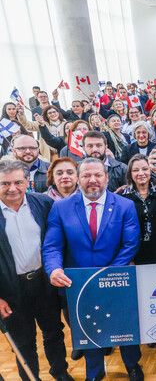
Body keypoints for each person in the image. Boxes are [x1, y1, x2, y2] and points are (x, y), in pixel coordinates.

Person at [42, 158, 143, 381]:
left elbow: (130, 244)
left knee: (125, 326)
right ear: (78, 179)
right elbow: (52, 246)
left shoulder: (125, 205)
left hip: (117, 279)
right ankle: (95, 373)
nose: (93, 180)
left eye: (98, 175)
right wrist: (54, 270)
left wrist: (109, 274)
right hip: (79, 284)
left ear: (107, 177)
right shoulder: (61, 207)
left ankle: (133, 365)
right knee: (89, 330)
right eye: (86, 175)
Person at [0, 160, 72, 381]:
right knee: (23, 341)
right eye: (5, 183)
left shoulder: (43, 203)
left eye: (18, 182)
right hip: (10, 290)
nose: (12, 188)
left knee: (54, 332)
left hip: (44, 283)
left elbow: (57, 243)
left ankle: (60, 373)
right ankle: (31, 378)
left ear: (27, 181)